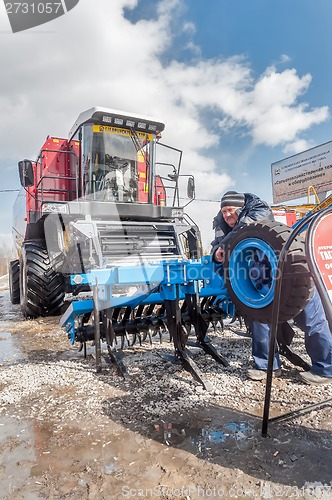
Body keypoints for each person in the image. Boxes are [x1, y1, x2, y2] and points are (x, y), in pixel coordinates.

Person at [211, 190, 332, 385]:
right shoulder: (223, 230)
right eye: (223, 211)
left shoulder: (259, 212)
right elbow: (219, 252)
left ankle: (325, 369)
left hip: (295, 275)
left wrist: (224, 246)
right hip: (262, 284)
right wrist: (216, 253)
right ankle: (267, 366)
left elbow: (245, 227)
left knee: (312, 322)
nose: (226, 215)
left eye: (230, 210)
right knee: (260, 322)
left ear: (241, 208)